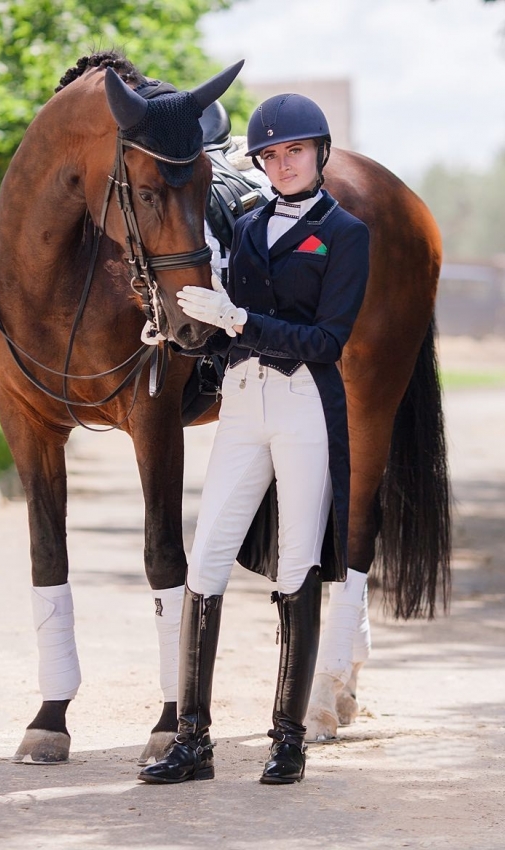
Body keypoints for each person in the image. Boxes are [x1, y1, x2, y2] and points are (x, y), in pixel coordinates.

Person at [138, 93, 370, 785]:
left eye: (294, 150)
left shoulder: (346, 233)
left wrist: (237, 319)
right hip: (241, 400)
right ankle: (192, 741)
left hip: (303, 401)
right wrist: (187, 330)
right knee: (206, 559)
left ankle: (288, 738)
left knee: (297, 563)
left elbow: (329, 339)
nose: (282, 162)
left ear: (319, 153)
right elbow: (222, 316)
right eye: (270, 154)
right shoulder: (246, 223)